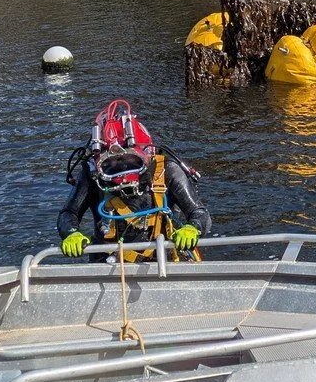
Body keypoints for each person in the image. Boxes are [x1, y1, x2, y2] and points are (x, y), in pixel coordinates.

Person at [58, 100, 211, 262]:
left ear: (147, 155)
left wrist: (193, 227)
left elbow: (200, 213)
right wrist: (71, 232)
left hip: (159, 259)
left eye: (131, 163)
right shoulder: (91, 176)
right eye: (111, 166)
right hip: (107, 261)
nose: (122, 174)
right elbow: (69, 213)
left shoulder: (167, 170)